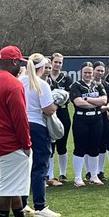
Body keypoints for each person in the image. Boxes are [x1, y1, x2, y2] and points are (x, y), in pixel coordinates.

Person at [0, 46, 45, 217]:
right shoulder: (13, 84)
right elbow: (20, 118)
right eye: (20, 63)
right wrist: (26, 143)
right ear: (15, 62)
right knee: (6, 186)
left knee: (13, 183)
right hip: (9, 140)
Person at [20, 53, 60, 217]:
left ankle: (21, 204)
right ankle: (40, 206)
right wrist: (58, 102)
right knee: (40, 167)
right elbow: (48, 109)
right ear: (42, 67)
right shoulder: (41, 84)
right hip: (37, 126)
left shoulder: (19, 81)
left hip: (21, 126)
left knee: (23, 167)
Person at [70, 62, 108, 187]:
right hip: (81, 119)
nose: (88, 75)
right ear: (81, 72)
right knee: (80, 148)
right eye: (85, 72)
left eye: (90, 73)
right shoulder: (76, 85)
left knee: (94, 148)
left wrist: (87, 99)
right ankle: (78, 177)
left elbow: (104, 100)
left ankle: (94, 175)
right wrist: (95, 103)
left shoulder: (98, 85)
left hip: (97, 120)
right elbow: (78, 102)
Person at [46, 53, 74, 186]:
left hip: (62, 113)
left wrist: (57, 101)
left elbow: (68, 97)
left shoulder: (67, 79)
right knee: (50, 145)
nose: (57, 65)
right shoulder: (46, 77)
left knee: (62, 145)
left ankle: (62, 173)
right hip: (49, 115)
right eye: (55, 62)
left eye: (60, 63)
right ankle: (50, 174)